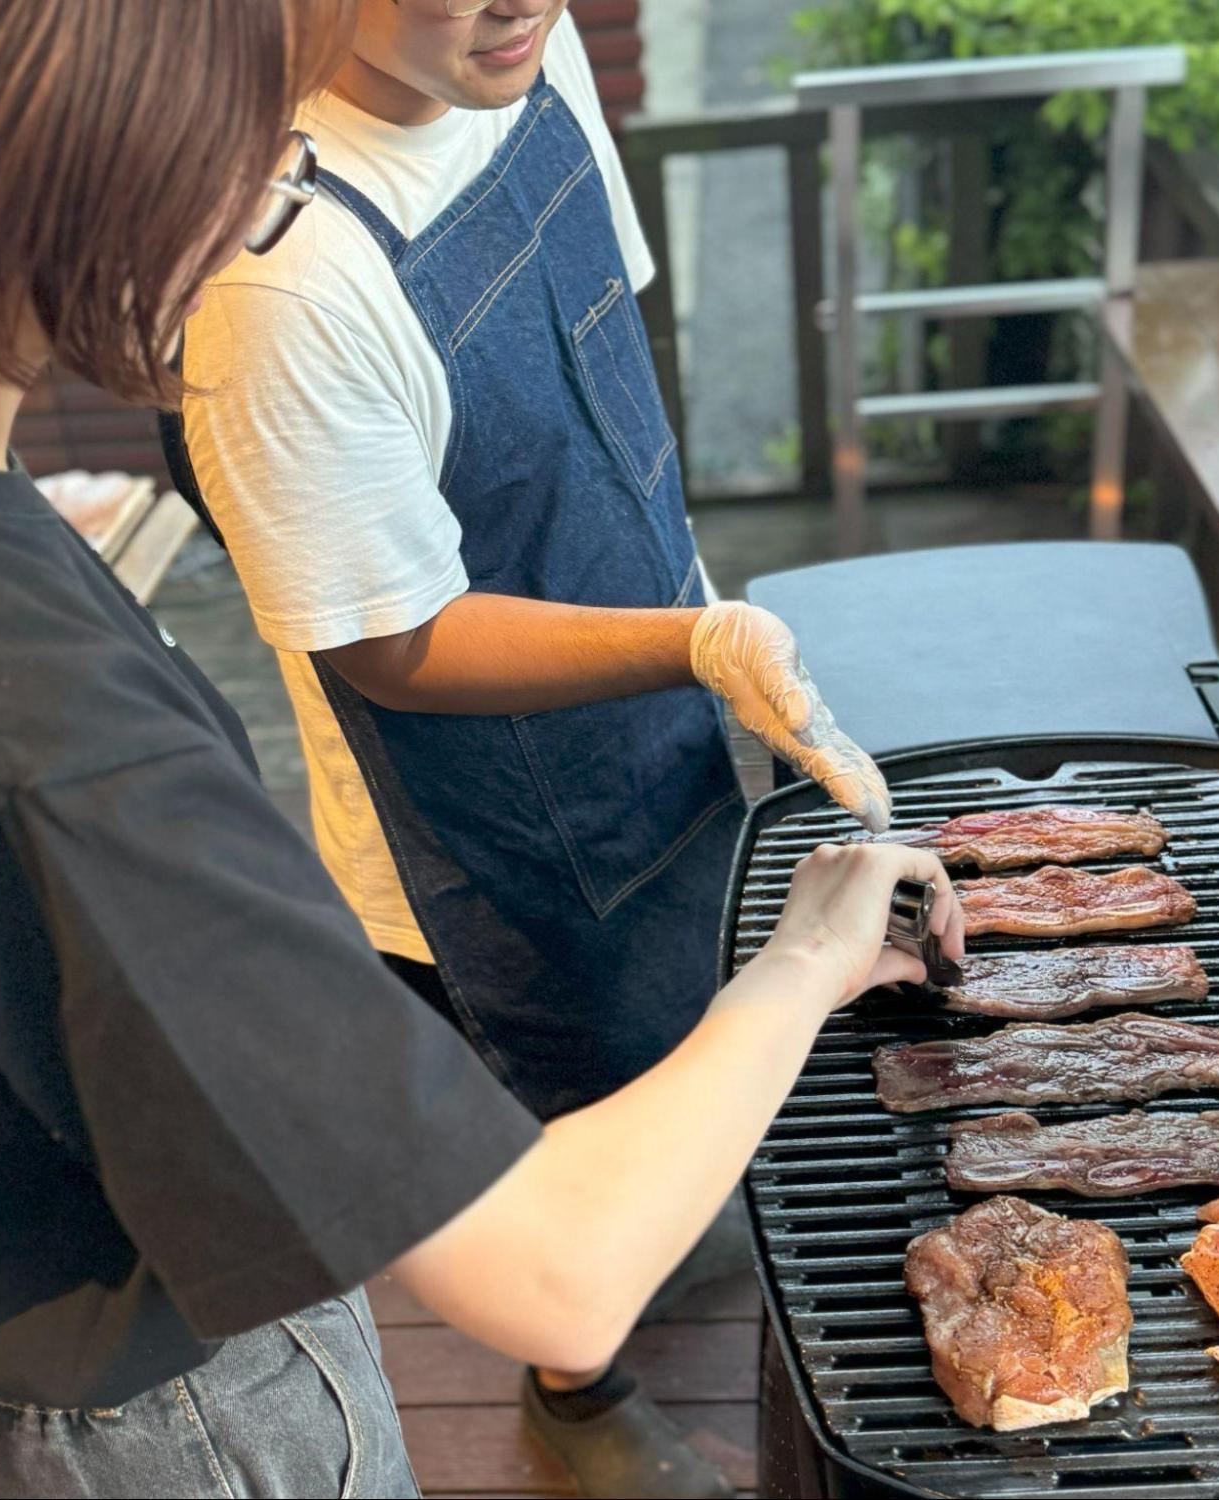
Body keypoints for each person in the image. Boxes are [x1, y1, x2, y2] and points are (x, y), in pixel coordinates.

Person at [0, 4, 963, 1498]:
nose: (262, 212)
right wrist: (805, 955)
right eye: (242, 175)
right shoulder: (42, 730)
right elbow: (558, 1277)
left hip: (52, 1352)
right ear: (78, 190)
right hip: (187, 1423)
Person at [173, 8, 887, 1487]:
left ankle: (669, 1229)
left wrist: (691, 615)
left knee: (692, 1005)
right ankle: (577, 1402)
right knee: (575, 1091)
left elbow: (602, 336)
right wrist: (683, 642)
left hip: (658, 693)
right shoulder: (279, 288)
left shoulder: (524, 57)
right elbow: (394, 642)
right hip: (492, 820)